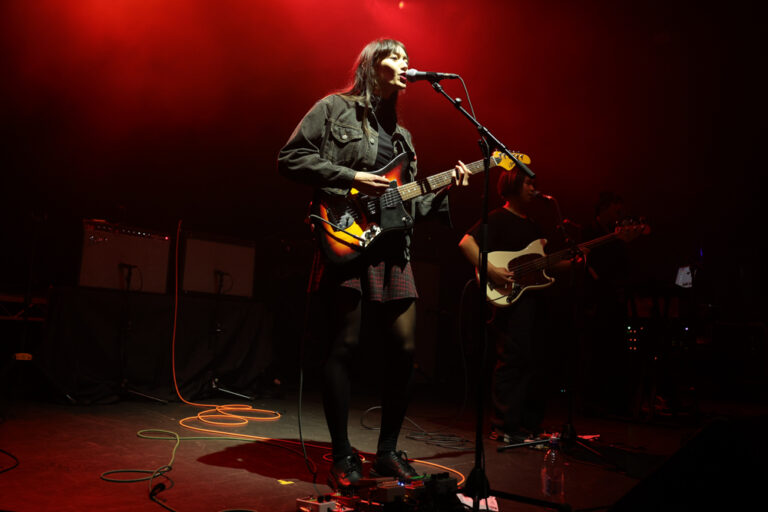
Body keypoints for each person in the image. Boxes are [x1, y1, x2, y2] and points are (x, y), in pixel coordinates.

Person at [277, 38, 469, 488]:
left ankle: (387, 452)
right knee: (342, 347)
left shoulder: (403, 137)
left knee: (405, 350)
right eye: (396, 57)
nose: (406, 65)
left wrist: (444, 189)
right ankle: (343, 455)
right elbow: (290, 158)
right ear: (372, 64)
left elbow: (408, 203)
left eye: (408, 58)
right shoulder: (334, 109)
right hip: (344, 236)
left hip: (392, 251)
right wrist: (351, 177)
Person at [458, 168, 570, 443]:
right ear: (512, 185)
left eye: (534, 183)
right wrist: (491, 271)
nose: (534, 189)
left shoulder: (534, 225)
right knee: (513, 359)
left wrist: (576, 259)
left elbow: (546, 264)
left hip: (532, 300)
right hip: (510, 299)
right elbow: (466, 243)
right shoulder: (498, 217)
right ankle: (504, 426)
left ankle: (527, 425)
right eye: (528, 183)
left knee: (534, 361)